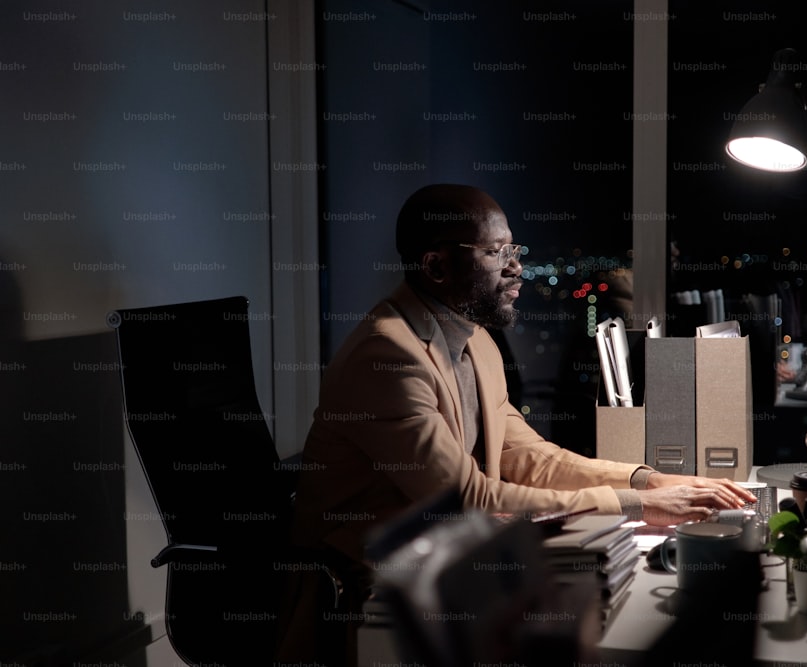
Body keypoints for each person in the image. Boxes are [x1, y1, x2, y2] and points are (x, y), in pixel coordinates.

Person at [276, 183, 755, 663]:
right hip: (363, 603)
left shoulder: (475, 339)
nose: (516, 267)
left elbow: (527, 455)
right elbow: (469, 501)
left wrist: (647, 479)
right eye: (494, 252)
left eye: (513, 249)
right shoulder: (386, 356)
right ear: (436, 266)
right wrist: (638, 506)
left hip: (450, 571)